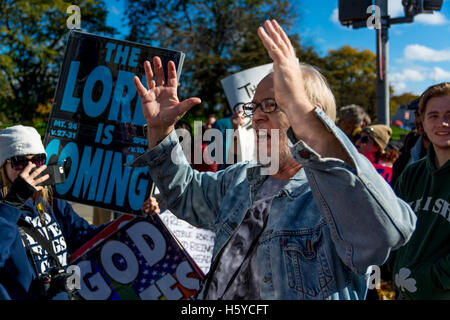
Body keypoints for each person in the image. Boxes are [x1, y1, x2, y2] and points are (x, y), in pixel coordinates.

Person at [131, 19, 416, 300]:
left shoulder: (333, 196)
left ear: (309, 112)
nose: (255, 116)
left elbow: (385, 233)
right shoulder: (241, 178)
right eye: (254, 107)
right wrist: (161, 130)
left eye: (271, 105)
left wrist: (305, 118)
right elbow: (186, 194)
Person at [0, 125, 157, 300]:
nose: (30, 169)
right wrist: (12, 203)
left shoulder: (52, 202)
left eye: (37, 160)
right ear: (3, 167)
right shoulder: (4, 212)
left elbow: (86, 238)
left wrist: (135, 217)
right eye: (19, 162)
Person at [390, 82, 450, 300]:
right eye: (433, 116)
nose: (442, 123)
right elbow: (394, 231)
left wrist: (424, 280)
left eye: (449, 114)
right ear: (422, 123)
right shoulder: (412, 173)